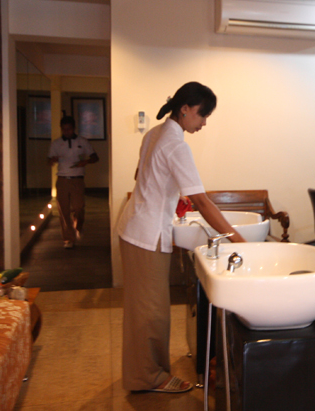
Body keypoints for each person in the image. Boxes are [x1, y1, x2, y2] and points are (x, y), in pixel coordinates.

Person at [116, 82, 245, 394]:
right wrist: (240, 241)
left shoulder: (154, 134)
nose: (204, 122)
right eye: (203, 115)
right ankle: (151, 377)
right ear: (185, 109)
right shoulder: (176, 145)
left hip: (133, 228)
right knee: (152, 314)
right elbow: (203, 202)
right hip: (145, 235)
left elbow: (141, 177)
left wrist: (170, 196)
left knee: (141, 310)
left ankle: (142, 374)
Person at [47, 116, 99, 249]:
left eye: (69, 129)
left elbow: (95, 157)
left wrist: (86, 161)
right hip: (62, 179)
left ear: (74, 128)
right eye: (64, 129)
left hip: (77, 179)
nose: (66, 132)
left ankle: (78, 226)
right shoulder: (56, 143)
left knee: (79, 207)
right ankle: (68, 239)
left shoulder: (82, 141)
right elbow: (49, 160)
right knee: (63, 210)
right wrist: (52, 160)